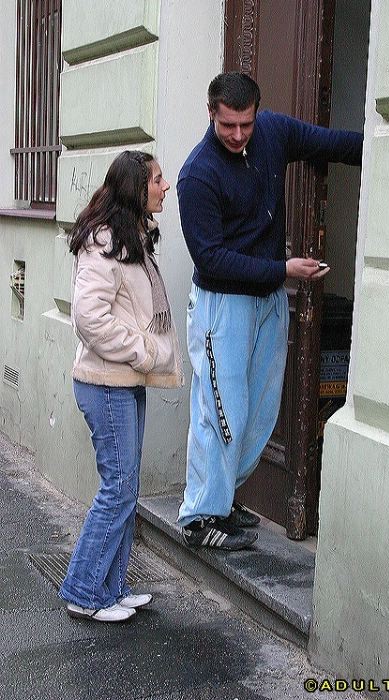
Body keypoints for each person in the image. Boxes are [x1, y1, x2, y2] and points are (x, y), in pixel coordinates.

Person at [177, 72, 363, 551]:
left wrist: (384, 145)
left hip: (269, 300)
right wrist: (283, 268)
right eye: (228, 126)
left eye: (246, 124)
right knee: (222, 413)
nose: (238, 135)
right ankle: (200, 516)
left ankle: (223, 499)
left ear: (257, 112)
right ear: (211, 113)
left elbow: (329, 143)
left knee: (259, 414)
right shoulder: (197, 174)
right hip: (223, 305)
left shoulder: (273, 132)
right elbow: (210, 258)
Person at [59, 151, 183, 622]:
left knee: (125, 488)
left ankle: (110, 587)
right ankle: (84, 593)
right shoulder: (104, 240)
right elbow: (89, 317)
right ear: (136, 187)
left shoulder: (130, 237)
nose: (164, 185)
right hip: (107, 381)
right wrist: (145, 352)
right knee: (118, 489)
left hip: (124, 381)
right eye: (156, 179)